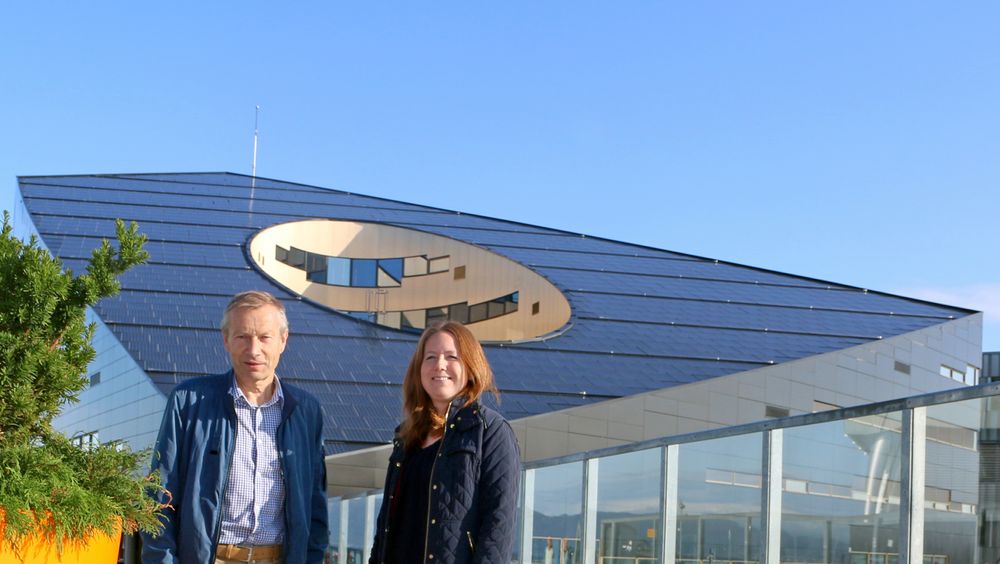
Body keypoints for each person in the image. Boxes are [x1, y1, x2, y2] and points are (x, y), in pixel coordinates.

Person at [142, 290, 328, 563]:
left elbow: (316, 508)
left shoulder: (306, 411)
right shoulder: (188, 402)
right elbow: (160, 498)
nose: (254, 350)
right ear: (226, 340)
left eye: (265, 337)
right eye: (242, 337)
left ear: (283, 341)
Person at [369, 321, 521, 564]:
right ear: (419, 369)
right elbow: (385, 523)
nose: (439, 365)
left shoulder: (491, 432)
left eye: (452, 357)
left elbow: (498, 527)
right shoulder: (406, 437)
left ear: (471, 368)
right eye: (430, 357)